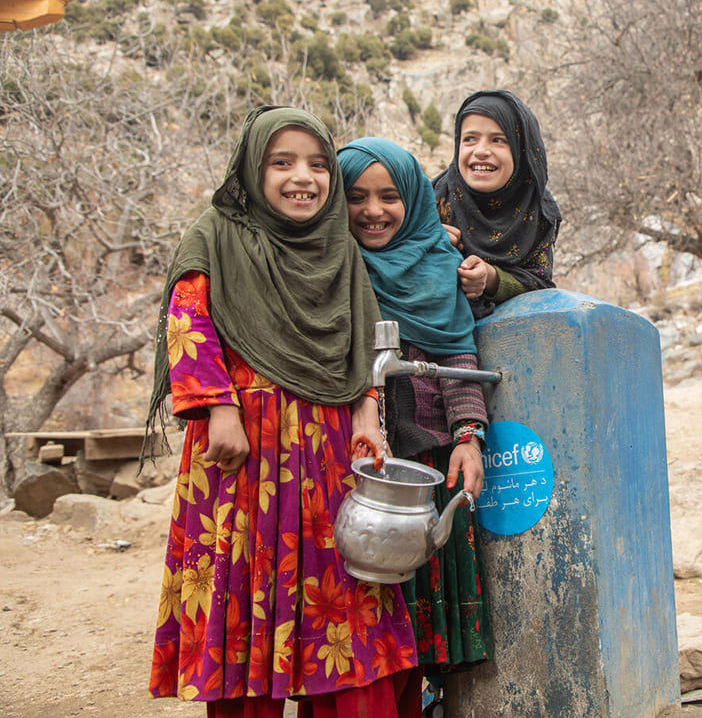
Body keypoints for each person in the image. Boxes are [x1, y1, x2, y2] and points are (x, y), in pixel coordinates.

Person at [145, 106, 421, 718]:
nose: (304, 177)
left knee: (340, 606)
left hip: (327, 449)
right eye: (283, 162)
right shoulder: (213, 234)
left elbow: (367, 342)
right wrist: (217, 408)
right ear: (254, 167)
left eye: (319, 165)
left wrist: (368, 414)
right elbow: (187, 325)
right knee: (247, 594)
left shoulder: (339, 250)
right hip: (240, 452)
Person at [338, 137, 493, 714]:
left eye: (389, 196)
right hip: (354, 466)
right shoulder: (330, 267)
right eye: (356, 197)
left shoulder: (439, 264)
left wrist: (468, 438)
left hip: (426, 464)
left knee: (424, 617)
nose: (373, 211)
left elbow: (457, 356)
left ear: (414, 201)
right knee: (362, 621)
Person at [432, 89, 562, 318]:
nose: (481, 151)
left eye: (498, 140)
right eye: (469, 139)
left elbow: (539, 285)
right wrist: (425, 240)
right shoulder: (433, 201)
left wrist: (491, 278)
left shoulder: (537, 212)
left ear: (522, 150)